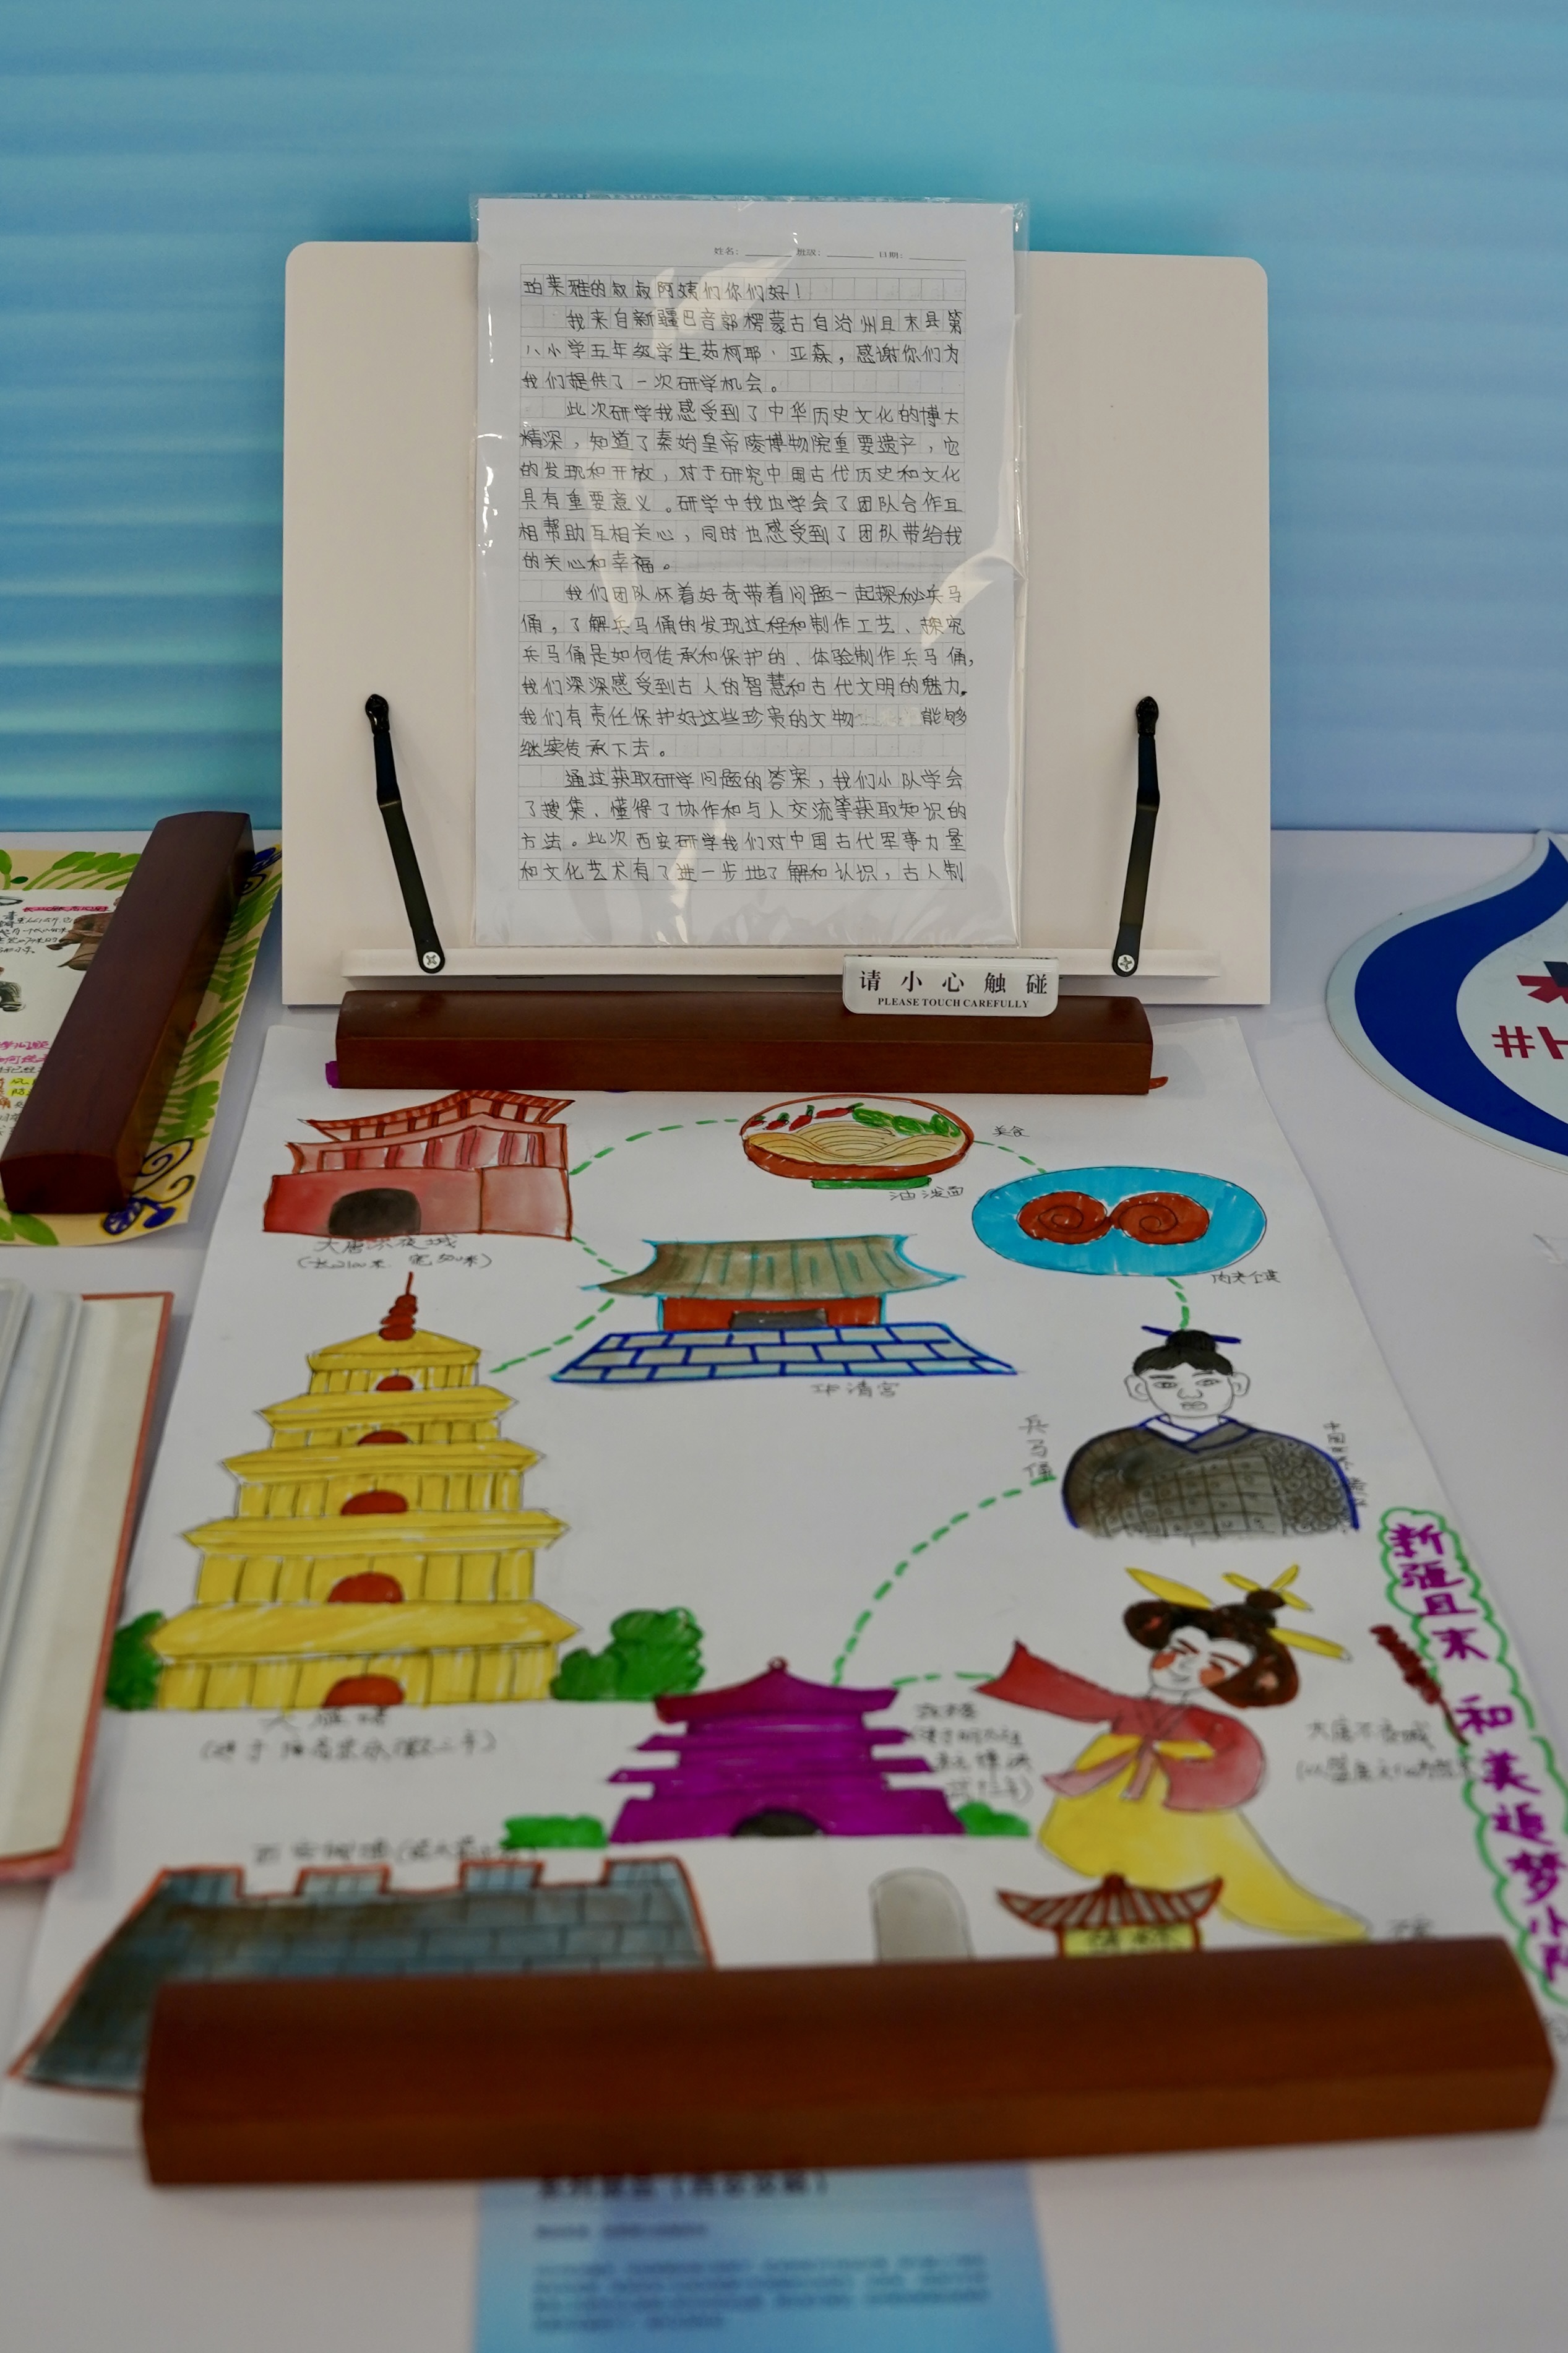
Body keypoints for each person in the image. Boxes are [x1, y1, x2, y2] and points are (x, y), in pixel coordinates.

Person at [981, 1577, 1366, 1941]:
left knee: (1198, 1854)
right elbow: (1077, 1697)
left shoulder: (1208, 1725)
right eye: (1180, 1651)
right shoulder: (1129, 1709)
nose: (1185, 1668)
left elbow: (1241, 1760)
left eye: (1215, 1666)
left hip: (1176, 1788)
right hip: (1113, 1773)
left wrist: (1183, 1772)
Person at [1062, 1328, 1356, 1540]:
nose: (1189, 1394)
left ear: (1237, 1385)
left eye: (1207, 1382)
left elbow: (1328, 1530)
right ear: (1139, 1388)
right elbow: (1089, 1532)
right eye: (1166, 1384)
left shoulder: (1289, 1454)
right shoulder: (1107, 1454)